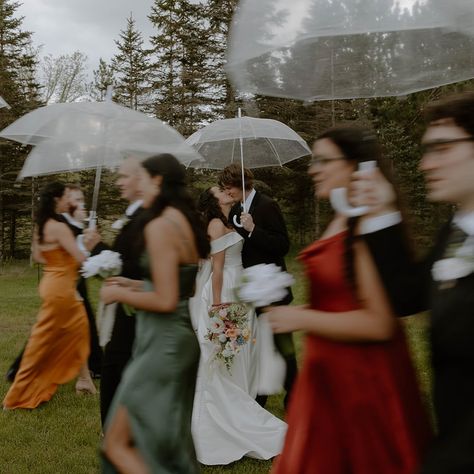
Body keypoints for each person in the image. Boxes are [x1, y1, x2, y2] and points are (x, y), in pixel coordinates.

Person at [265, 126, 432, 474]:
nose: (314, 169)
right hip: (327, 370)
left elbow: (379, 323)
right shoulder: (342, 218)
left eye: (324, 160)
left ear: (357, 166)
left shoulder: (366, 225)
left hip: (360, 380)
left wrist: (301, 318)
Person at [356, 92, 474, 474]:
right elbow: (407, 297)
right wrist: (383, 214)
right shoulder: (456, 232)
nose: (425, 164)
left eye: (442, 148)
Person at [100, 153, 210, 473]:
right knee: (164, 445)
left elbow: (164, 300)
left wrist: (116, 292)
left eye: (144, 179)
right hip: (177, 340)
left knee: (117, 444)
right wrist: (134, 284)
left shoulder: (161, 226)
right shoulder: (184, 221)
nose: (139, 187)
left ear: (158, 180)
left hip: (162, 344)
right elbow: (182, 288)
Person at [190, 186, 286, 465]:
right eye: (219, 190)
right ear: (213, 200)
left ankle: (241, 396)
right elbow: (217, 268)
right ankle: (232, 410)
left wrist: (249, 227)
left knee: (239, 349)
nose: (225, 191)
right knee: (226, 351)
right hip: (224, 291)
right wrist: (219, 306)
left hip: (237, 289)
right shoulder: (216, 225)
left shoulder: (230, 220)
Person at [3, 182, 93, 409]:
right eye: (66, 197)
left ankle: (82, 381)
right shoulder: (58, 227)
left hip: (52, 283)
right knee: (42, 342)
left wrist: (59, 259)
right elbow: (80, 258)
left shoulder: (41, 225)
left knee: (77, 332)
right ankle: (17, 397)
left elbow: (40, 257)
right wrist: (89, 244)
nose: (69, 202)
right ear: (56, 199)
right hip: (62, 288)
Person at [218, 163, 297, 408]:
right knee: (257, 344)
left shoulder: (267, 206)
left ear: (241, 184)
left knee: (281, 345)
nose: (226, 191)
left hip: (271, 287)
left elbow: (283, 245)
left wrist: (253, 230)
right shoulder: (235, 211)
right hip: (248, 288)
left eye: (228, 186)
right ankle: (258, 396)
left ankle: (295, 396)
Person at [84, 157, 145, 425]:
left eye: (124, 177)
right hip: (125, 303)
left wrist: (98, 249)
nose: (119, 182)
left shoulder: (146, 218)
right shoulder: (133, 215)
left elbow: (138, 266)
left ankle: (116, 432)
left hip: (136, 308)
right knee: (114, 367)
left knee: (116, 368)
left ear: (141, 180)